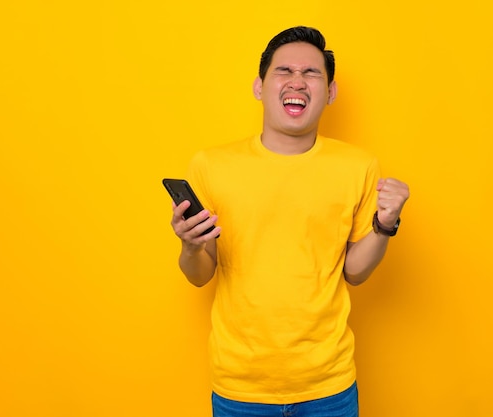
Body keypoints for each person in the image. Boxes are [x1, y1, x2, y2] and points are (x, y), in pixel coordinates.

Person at [170, 26, 409, 417]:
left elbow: (355, 272)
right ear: (259, 87)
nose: (297, 81)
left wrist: (385, 226)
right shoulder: (210, 166)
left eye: (311, 73)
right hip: (239, 386)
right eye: (284, 71)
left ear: (330, 93)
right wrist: (190, 245)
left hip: (329, 384)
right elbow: (199, 275)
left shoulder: (358, 167)